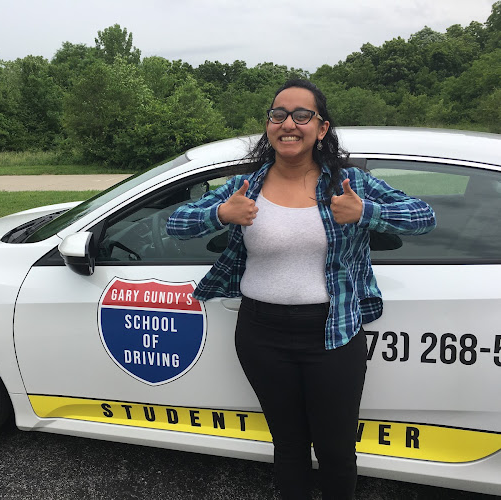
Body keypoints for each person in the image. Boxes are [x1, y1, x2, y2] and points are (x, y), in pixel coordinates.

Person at [166, 79, 436, 500]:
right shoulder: (246, 186)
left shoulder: (352, 184)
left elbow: (424, 216)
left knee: (336, 450)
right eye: (278, 115)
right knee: (288, 446)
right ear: (269, 126)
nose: (288, 123)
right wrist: (222, 212)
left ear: (322, 128)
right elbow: (176, 223)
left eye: (301, 115)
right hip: (261, 332)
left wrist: (367, 212)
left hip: (333, 333)